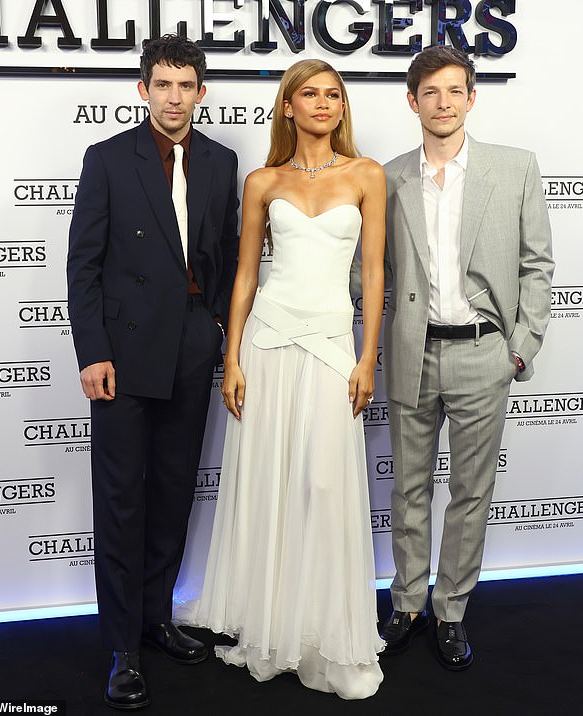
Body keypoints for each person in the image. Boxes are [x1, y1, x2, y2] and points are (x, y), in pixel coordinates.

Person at [177, 59, 386, 699]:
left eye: (332, 94)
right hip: (266, 341)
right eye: (309, 94)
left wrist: (367, 357)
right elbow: (244, 276)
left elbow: (374, 275)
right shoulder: (262, 180)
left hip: (330, 344)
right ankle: (269, 625)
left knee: (324, 483)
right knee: (269, 482)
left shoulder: (367, 176)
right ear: (287, 107)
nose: (323, 104)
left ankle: (322, 629)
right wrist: (232, 357)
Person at [66, 35, 238, 709]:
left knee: (172, 492)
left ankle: (158, 617)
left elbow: (222, 253)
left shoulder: (222, 162)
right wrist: (92, 352)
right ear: (144, 90)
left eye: (185, 84)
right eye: (162, 84)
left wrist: (221, 329)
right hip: (124, 356)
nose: (174, 96)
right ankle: (123, 647)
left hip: (193, 348)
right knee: (121, 501)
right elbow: (84, 265)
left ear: (202, 91)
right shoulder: (107, 159)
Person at [380, 46, 554, 670]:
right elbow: (367, 272)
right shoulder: (389, 175)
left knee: (471, 491)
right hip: (411, 352)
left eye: (456, 91)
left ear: (472, 98)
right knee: (408, 487)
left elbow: (538, 263)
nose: (444, 102)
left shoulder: (515, 168)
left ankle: (450, 609)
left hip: (485, 354)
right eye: (431, 92)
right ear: (412, 101)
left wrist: (521, 347)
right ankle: (406, 603)